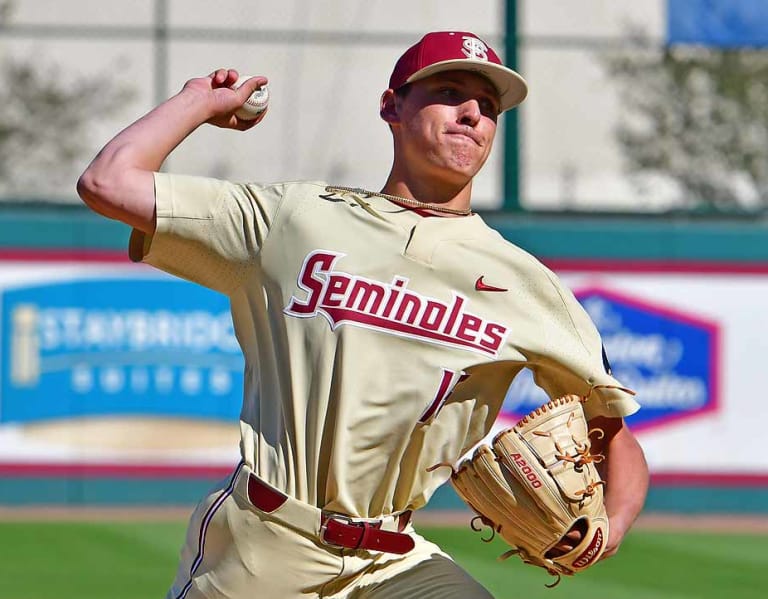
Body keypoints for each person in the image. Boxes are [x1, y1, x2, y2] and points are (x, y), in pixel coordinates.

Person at [78, 30, 649, 599]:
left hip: (394, 561)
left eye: (490, 107)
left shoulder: (527, 283)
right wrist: (197, 103)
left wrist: (613, 525)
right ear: (391, 105)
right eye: (449, 92)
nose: (473, 114)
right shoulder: (292, 218)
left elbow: (612, 428)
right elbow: (108, 183)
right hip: (265, 541)